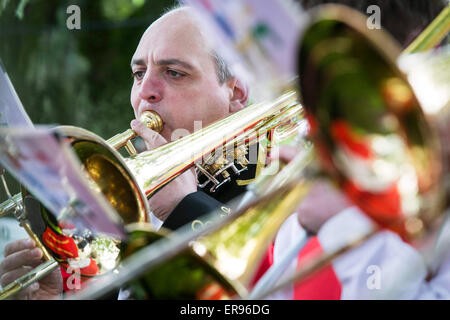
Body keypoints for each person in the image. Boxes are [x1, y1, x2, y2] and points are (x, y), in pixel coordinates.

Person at [0, 5, 262, 299]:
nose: (145, 91)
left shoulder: (276, 178)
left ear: (236, 93)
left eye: (174, 73)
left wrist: (185, 208)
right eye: (139, 73)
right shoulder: (119, 199)